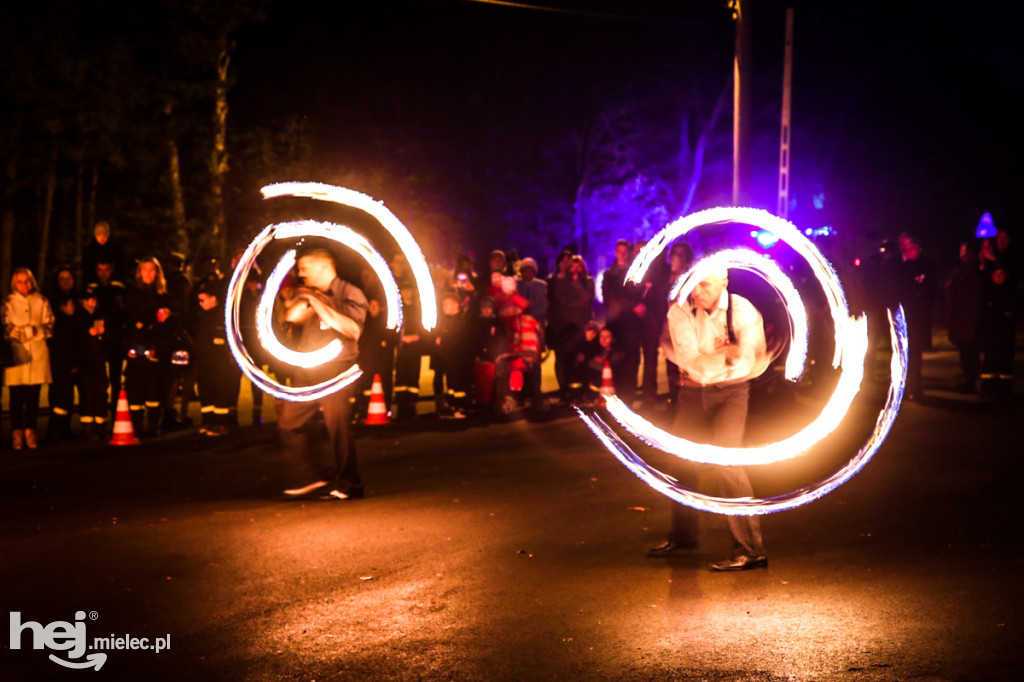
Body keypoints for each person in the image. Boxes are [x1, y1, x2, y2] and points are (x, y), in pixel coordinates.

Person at [648, 269, 770, 571]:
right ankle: (684, 535)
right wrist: (727, 355)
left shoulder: (742, 311)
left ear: (724, 283)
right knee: (681, 462)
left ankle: (751, 550)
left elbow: (752, 359)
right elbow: (690, 358)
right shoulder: (680, 311)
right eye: (693, 284)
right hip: (692, 392)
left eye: (705, 284)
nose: (697, 291)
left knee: (726, 462)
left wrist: (736, 356)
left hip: (731, 392)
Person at [277, 248, 367, 501]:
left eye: (305, 267)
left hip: (337, 370)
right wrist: (295, 306)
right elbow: (292, 318)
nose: (300, 273)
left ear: (323, 267)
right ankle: (310, 478)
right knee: (288, 423)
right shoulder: (307, 293)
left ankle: (351, 485)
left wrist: (318, 303)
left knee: (338, 427)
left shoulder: (351, 293)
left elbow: (352, 330)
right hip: (307, 371)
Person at [122, 257, 174, 436]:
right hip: (136, 347)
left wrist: (166, 317)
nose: (148, 273)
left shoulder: (163, 295)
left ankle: (153, 425)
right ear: (139, 272)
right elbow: (128, 321)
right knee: (135, 388)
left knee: (155, 388)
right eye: (145, 269)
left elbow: (169, 324)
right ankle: (136, 424)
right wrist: (130, 345)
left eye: (152, 270)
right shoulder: (132, 293)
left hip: (156, 349)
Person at [3, 268, 55, 450]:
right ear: (14, 283)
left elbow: (50, 325)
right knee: (16, 397)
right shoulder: (8, 303)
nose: (24, 285)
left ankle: (30, 431)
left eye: (27, 281)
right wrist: (25, 331)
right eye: (20, 281)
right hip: (17, 355)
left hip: (38, 355)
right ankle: (16, 431)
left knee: (33, 396)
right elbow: (6, 328)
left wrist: (38, 331)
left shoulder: (42, 301)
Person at [192, 278, 241, 436]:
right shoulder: (201, 316)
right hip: (204, 361)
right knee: (206, 391)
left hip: (220, 362)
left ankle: (220, 423)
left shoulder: (224, 316)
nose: (199, 303)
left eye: (202, 299)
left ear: (214, 298)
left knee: (221, 391)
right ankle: (208, 421)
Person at [548, 255, 595, 403]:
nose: (575, 269)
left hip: (582, 325)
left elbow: (587, 296)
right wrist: (578, 302)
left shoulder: (587, 280)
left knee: (582, 358)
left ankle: (583, 390)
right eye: (572, 266)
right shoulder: (560, 280)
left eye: (578, 265)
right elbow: (562, 300)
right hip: (565, 326)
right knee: (563, 359)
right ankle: (564, 390)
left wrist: (576, 283)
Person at [602, 240, 644, 403]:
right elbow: (610, 299)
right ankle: (618, 392)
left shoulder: (636, 274)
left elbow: (639, 295)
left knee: (632, 359)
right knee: (616, 359)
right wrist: (632, 306)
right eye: (619, 251)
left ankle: (630, 393)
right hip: (617, 324)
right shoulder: (609, 275)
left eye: (625, 251)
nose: (622, 254)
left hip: (632, 324)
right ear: (615, 253)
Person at [944, 243, 983, 392]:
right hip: (959, 320)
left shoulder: (976, 271)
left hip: (971, 321)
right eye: (962, 252)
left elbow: (972, 292)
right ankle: (968, 380)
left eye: (966, 252)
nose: (964, 255)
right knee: (964, 351)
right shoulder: (958, 272)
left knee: (971, 351)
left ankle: (973, 381)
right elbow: (949, 290)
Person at [76, 287, 110, 440]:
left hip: (99, 360)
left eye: (94, 300)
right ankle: (87, 426)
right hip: (85, 362)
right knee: (87, 393)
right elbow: (74, 338)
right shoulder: (79, 317)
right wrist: (87, 334)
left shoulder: (101, 315)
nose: (91, 303)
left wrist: (103, 333)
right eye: (88, 300)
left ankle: (100, 423)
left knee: (101, 391)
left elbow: (109, 338)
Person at [516, 257, 548, 328]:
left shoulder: (542, 285)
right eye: (525, 270)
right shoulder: (516, 284)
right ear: (522, 271)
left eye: (530, 271)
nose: (528, 273)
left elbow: (544, 305)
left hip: (537, 321)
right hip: (520, 321)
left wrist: (531, 317)